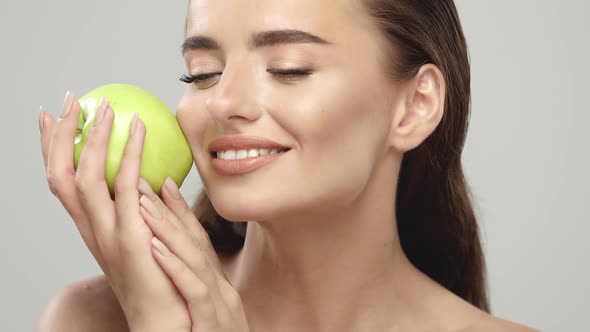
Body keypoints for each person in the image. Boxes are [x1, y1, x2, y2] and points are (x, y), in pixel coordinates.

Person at [35, 0, 539, 331]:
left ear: (415, 106)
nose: (221, 101)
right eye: (202, 75)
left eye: (288, 69)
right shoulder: (87, 320)